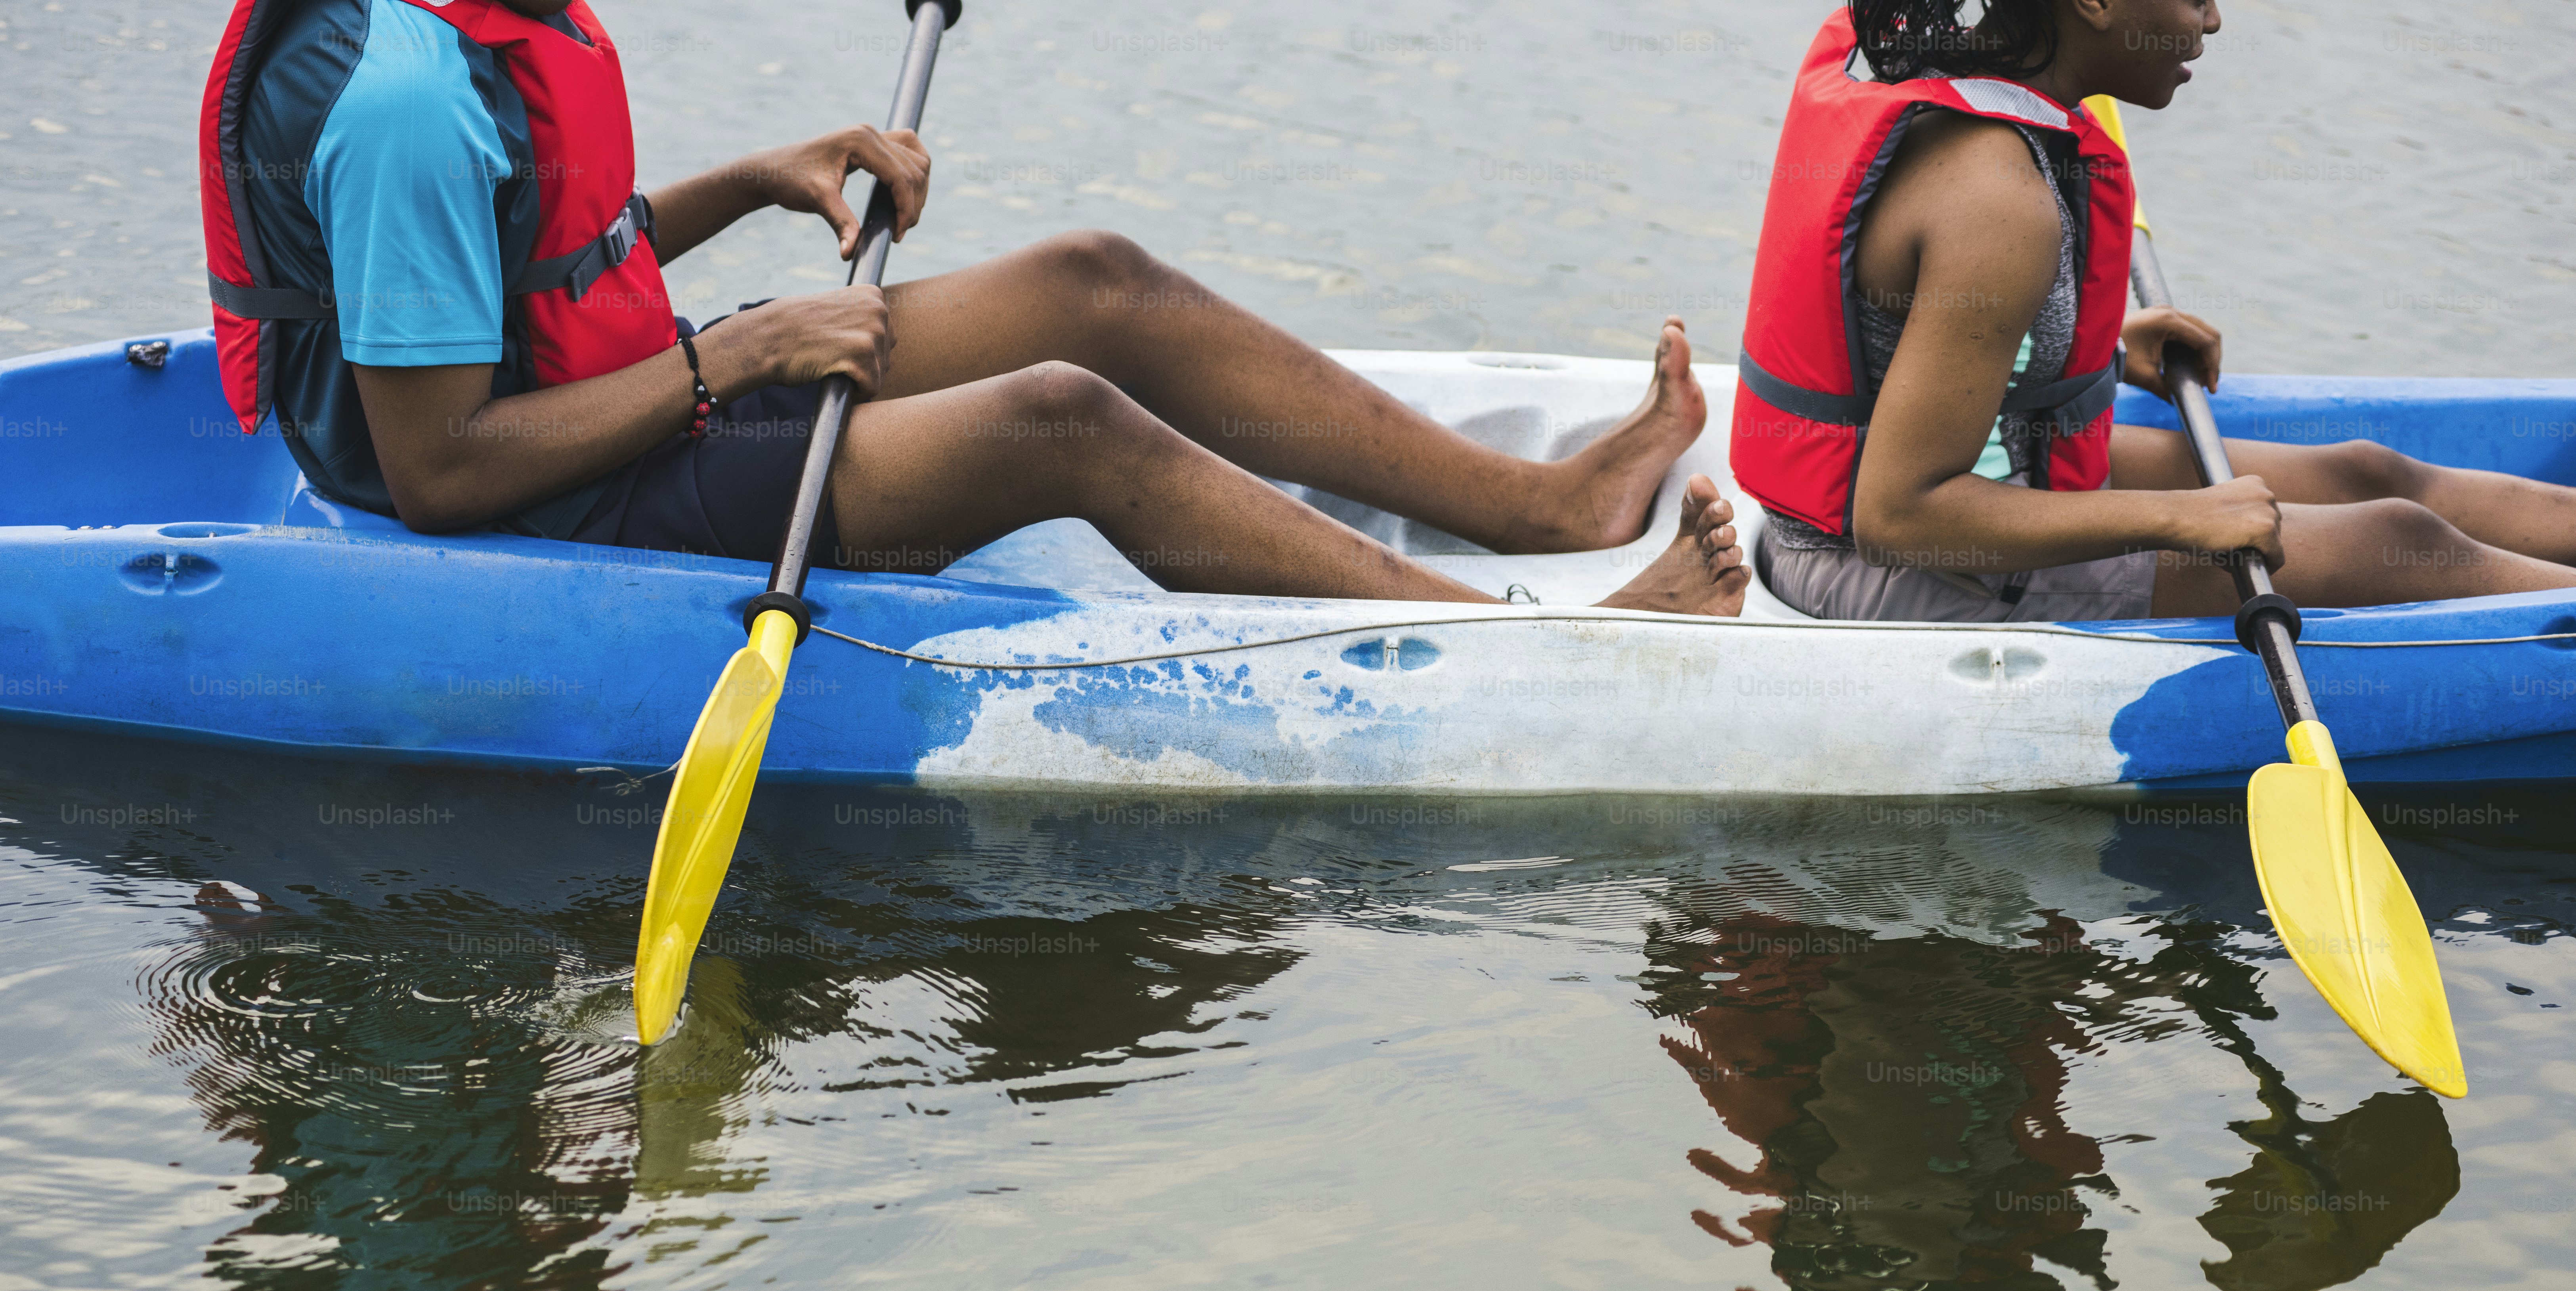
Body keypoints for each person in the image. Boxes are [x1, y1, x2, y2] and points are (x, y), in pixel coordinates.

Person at [198, 0, 1745, 616]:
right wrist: (738, 353)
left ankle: (1539, 506)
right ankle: (1521, 646)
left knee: (1096, 284)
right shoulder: (401, 100)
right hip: (547, 495)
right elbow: (444, 471)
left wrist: (751, 178)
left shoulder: (484, 29)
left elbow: (548, 277)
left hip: (619, 397)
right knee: (1059, 420)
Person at [1732, 0, 2576, 624]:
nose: (2212, 20)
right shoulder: (1994, 197)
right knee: (2397, 543)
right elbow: (1899, 516)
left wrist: (2086, 351)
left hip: (1966, 493)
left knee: (2371, 476)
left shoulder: (1939, 70)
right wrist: (2180, 519)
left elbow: (1910, 337)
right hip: (1889, 575)